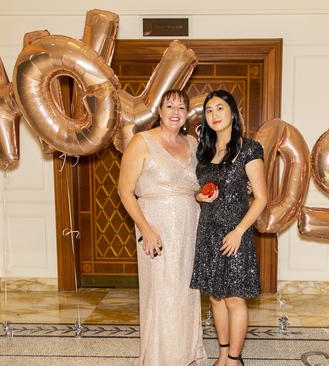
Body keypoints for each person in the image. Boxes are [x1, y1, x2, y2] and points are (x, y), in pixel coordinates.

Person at [118, 89, 206, 365]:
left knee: (186, 291)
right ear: (160, 110)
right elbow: (124, 190)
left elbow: (196, 188)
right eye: (170, 106)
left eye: (181, 108)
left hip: (190, 225)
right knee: (162, 293)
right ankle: (160, 357)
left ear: (186, 115)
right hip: (156, 226)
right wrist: (146, 229)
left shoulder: (192, 143)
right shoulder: (141, 142)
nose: (175, 112)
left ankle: (186, 353)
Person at [190, 90, 268, 366]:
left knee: (235, 298)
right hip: (208, 230)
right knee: (215, 296)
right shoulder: (204, 151)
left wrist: (238, 232)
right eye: (209, 111)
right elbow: (198, 191)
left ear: (232, 113)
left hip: (236, 233)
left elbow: (261, 198)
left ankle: (235, 359)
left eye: (220, 108)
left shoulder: (249, 149)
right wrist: (200, 196)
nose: (214, 115)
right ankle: (222, 352)